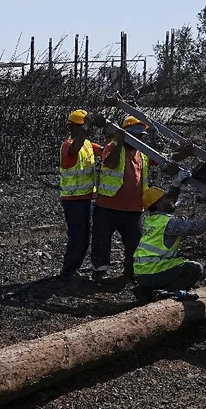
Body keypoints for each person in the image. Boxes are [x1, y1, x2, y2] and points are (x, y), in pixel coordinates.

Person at [131, 186, 206, 301]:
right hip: (153, 272)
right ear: (158, 204)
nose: (171, 200)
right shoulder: (169, 223)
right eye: (166, 198)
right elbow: (197, 228)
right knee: (194, 268)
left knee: (180, 262)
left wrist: (176, 184)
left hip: (141, 273)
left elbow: (171, 206)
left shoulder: (150, 220)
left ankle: (146, 291)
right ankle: (167, 294)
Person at [91, 116, 151, 283]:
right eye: (134, 135)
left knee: (135, 244)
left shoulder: (144, 153)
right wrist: (120, 141)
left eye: (140, 136)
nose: (138, 139)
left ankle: (131, 273)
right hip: (108, 206)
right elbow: (110, 162)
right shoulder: (112, 147)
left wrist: (183, 153)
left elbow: (165, 160)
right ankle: (99, 274)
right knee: (101, 242)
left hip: (133, 209)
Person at [58, 110, 103, 280]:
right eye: (79, 126)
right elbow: (74, 148)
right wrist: (87, 126)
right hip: (73, 200)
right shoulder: (68, 145)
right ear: (71, 127)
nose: (82, 130)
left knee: (83, 237)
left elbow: (105, 151)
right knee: (77, 236)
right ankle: (68, 272)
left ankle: (73, 269)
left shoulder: (89, 144)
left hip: (85, 199)